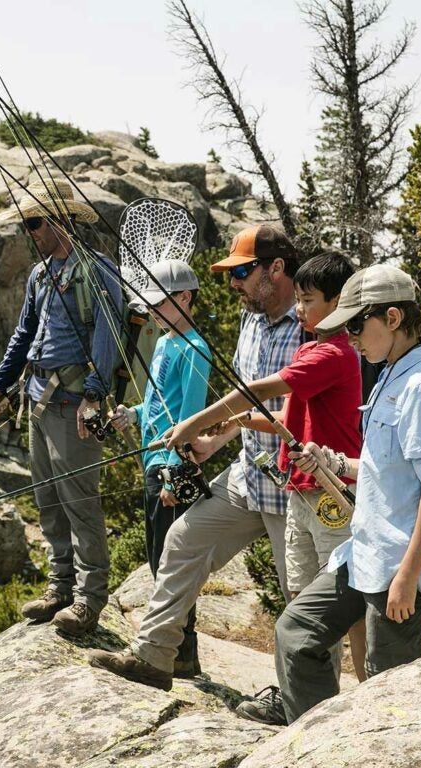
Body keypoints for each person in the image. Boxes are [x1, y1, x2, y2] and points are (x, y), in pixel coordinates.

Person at [89, 223, 301, 690]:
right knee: (181, 543)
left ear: (276, 269)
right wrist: (214, 440)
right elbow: (241, 399)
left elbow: (295, 416)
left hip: (293, 487)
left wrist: (203, 430)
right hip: (248, 477)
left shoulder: (310, 328)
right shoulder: (250, 322)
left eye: (241, 272)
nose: (233, 284)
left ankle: (299, 701)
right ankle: (155, 656)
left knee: (300, 596)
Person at [157, 251, 366, 722]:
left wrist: (195, 421)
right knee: (302, 601)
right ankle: (307, 704)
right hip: (299, 491)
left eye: (309, 301)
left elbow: (263, 389)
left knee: (344, 602)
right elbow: (282, 418)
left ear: (339, 304)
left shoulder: (334, 354)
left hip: (331, 495)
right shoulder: (310, 350)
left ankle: (367, 697)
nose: (299, 309)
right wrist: (219, 431)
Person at [274, 263, 421, 723]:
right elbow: (385, 470)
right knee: (296, 633)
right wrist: (335, 463)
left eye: (357, 324)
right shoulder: (389, 378)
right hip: (362, 555)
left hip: (397, 568)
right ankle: (318, 745)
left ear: (394, 319)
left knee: (387, 691)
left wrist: (408, 577)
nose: (351, 337)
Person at [0, 180, 123, 636]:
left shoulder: (96, 270)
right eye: (25, 225)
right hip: (37, 400)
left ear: (61, 220)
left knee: (80, 501)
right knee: (47, 499)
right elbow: (23, 335)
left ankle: (88, 598)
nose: (29, 232)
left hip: (74, 400)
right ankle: (59, 587)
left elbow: (108, 332)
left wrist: (96, 394)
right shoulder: (40, 276)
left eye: (35, 223)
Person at [111, 259, 212, 677]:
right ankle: (181, 651)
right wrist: (133, 415)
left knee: (171, 564)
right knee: (158, 559)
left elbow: (191, 414)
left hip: (170, 467)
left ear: (185, 298)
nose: (152, 311)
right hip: (152, 460)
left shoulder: (195, 349)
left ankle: (180, 652)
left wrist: (176, 469)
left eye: (161, 302)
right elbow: (158, 403)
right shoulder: (167, 342)